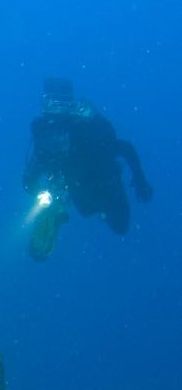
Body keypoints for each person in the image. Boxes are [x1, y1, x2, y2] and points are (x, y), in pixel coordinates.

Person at [23, 78, 152, 259]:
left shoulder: (87, 131)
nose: (59, 142)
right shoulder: (46, 138)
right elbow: (28, 180)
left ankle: (61, 210)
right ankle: (57, 211)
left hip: (100, 185)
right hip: (82, 189)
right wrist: (44, 195)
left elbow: (124, 148)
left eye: (63, 102)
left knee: (118, 225)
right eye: (54, 102)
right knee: (93, 212)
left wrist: (140, 179)